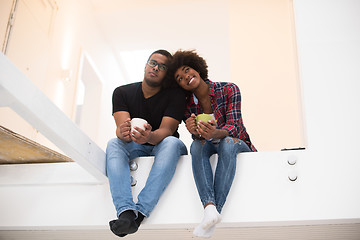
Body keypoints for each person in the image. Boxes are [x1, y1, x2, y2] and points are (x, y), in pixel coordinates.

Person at [168, 50, 257, 238]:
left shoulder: (229, 89)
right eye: (179, 78)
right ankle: (209, 209)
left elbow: (236, 127)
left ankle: (216, 209)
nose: (186, 77)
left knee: (227, 142)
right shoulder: (187, 106)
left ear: (197, 68)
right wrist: (193, 131)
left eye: (187, 70)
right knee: (195, 147)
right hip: (210, 144)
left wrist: (217, 132)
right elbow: (201, 140)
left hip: (237, 143)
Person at [106, 49, 187, 237]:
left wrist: (148, 137)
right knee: (113, 143)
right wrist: (122, 132)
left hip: (164, 146)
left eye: (163, 67)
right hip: (136, 145)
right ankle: (126, 212)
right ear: (146, 65)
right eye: (153, 63)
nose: (156, 68)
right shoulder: (122, 92)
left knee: (172, 142)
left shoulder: (175, 95)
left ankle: (140, 213)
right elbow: (122, 130)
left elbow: (167, 131)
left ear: (167, 74)